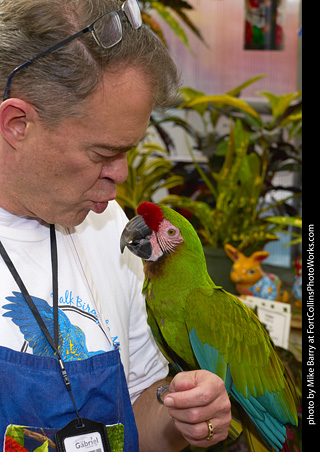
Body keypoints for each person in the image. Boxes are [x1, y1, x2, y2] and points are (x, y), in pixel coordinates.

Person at [0, 1, 231, 451]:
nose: (121, 175)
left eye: (129, 150)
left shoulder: (108, 227)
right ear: (17, 124)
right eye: (103, 153)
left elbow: (137, 416)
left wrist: (184, 411)